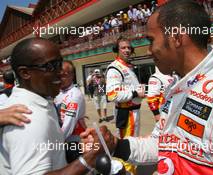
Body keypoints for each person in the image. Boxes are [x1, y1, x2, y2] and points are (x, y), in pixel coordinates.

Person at [81, 1, 213, 175]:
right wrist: (115, 144)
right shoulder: (178, 88)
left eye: (151, 40)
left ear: (176, 38)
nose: (148, 50)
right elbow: (162, 144)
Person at [0, 38, 101, 175]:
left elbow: (48, 147)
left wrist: (75, 147)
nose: (61, 72)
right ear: (25, 73)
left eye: (60, 63)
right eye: (51, 66)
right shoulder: (27, 117)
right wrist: (87, 162)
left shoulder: (42, 99)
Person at [105, 36, 145, 174]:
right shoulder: (115, 68)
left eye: (129, 47)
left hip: (134, 112)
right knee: (127, 146)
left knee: (131, 145)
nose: (127, 50)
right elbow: (112, 94)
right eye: (123, 47)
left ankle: (129, 170)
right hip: (127, 114)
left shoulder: (127, 67)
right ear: (117, 50)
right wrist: (135, 93)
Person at [54, 60, 87, 163]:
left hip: (74, 140)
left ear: (72, 75)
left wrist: (54, 144)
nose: (60, 78)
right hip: (62, 138)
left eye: (64, 75)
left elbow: (68, 125)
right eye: (58, 74)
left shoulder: (75, 95)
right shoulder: (57, 92)